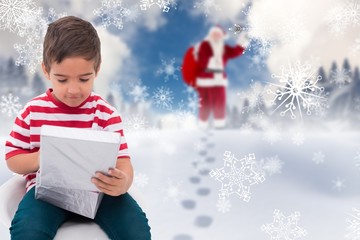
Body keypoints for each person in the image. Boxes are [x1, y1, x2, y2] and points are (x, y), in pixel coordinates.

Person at [4, 16, 151, 240]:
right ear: (46, 70)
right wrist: (41, 158)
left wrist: (124, 182)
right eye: (62, 79)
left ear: (97, 70)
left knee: (136, 229)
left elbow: (123, 161)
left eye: (84, 79)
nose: (73, 90)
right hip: (47, 193)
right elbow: (13, 158)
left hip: (99, 193)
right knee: (27, 230)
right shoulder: (33, 111)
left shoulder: (106, 114)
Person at [195, 25, 249, 129]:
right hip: (206, 77)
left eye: (218, 34)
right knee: (205, 102)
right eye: (214, 34)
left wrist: (242, 40)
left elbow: (235, 52)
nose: (216, 36)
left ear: (221, 36)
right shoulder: (204, 45)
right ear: (210, 35)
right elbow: (202, 59)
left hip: (219, 78)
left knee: (220, 101)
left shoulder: (224, 48)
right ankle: (203, 124)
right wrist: (211, 61)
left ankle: (219, 125)